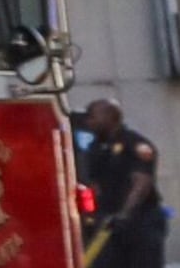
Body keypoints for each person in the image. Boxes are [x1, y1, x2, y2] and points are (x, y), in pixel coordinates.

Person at [75, 100, 166, 268]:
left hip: (140, 221)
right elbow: (93, 184)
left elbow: (141, 184)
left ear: (111, 116)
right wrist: (93, 216)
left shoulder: (135, 144)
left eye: (93, 116)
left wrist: (124, 214)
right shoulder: (96, 148)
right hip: (109, 222)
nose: (89, 121)